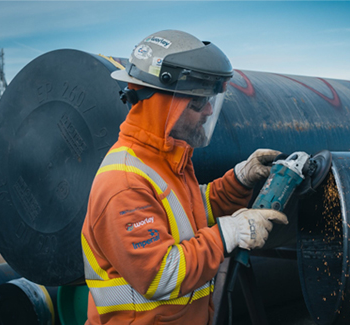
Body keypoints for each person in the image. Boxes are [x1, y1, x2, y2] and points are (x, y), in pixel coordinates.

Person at [81, 30, 288, 325]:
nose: (207, 111)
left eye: (209, 101)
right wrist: (228, 234)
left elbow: (189, 212)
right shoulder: (124, 183)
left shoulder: (167, 160)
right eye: (197, 102)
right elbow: (160, 275)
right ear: (163, 104)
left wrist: (239, 180)